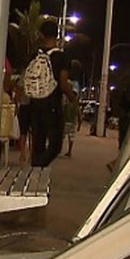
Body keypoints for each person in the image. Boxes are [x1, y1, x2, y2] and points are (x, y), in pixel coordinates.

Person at [26, 27, 77, 168]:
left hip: (35, 104)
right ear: (57, 36)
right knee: (55, 145)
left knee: (38, 143)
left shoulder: (34, 55)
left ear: (41, 35)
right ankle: (40, 165)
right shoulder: (61, 56)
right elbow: (63, 82)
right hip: (52, 105)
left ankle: (35, 172)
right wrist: (72, 98)